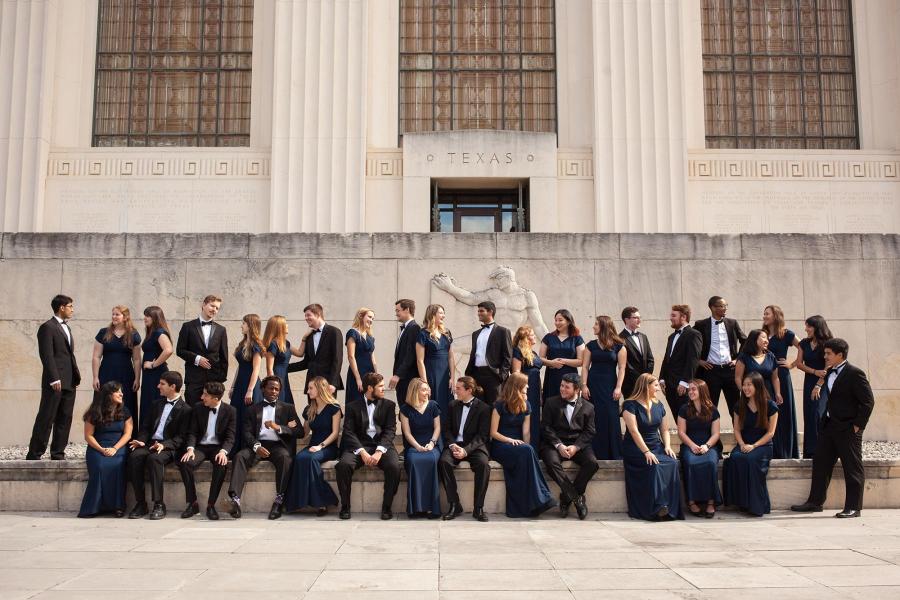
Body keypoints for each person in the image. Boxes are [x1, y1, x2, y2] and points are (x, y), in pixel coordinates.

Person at [791, 338, 875, 518]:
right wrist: (817, 385)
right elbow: (827, 386)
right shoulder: (829, 371)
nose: (825, 356)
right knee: (820, 464)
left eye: (828, 353)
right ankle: (815, 502)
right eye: (825, 353)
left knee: (852, 468)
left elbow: (868, 402)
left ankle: (853, 507)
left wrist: (857, 426)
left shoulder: (855, 374)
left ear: (840, 355)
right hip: (829, 427)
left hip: (848, 429)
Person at [227, 376, 301, 520]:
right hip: (258, 444)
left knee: (285, 458)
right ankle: (235, 501)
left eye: (277, 389)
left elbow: (299, 432)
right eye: (271, 388)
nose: (274, 391)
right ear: (262, 389)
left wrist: (279, 428)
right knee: (240, 456)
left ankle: (279, 501)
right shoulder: (252, 409)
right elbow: (246, 432)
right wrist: (256, 446)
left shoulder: (288, 408)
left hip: (278, 446)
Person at [126, 371, 191, 520]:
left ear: (173, 386)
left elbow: (181, 437)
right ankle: (141, 503)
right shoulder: (156, 404)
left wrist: (165, 445)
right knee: (135, 456)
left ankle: (159, 504)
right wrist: (142, 440)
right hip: (149, 443)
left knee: (154, 459)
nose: (158, 386)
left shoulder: (186, 409)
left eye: (162, 384)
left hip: (168, 447)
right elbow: (146, 427)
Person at [335, 372, 401, 520]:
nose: (384, 389)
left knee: (394, 467)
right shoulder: (352, 407)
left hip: (382, 446)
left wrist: (379, 451)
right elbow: (348, 432)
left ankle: (387, 507)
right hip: (359, 446)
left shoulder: (389, 405)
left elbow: (390, 431)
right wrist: (363, 452)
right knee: (343, 465)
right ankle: (345, 507)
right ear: (370, 388)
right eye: (381, 387)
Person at [490, 373, 556, 518]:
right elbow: (493, 433)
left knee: (527, 450)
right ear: (517, 387)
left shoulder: (527, 405)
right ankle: (542, 498)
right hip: (501, 444)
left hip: (519, 446)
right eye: (525, 384)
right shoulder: (499, 405)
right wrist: (509, 440)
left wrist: (527, 449)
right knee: (525, 451)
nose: (528, 386)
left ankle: (535, 503)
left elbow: (526, 433)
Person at [621, 373, 684, 521]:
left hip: (656, 445)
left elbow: (664, 430)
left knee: (672, 463)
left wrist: (667, 446)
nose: (658, 388)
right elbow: (634, 431)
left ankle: (670, 508)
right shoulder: (629, 405)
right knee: (654, 465)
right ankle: (657, 506)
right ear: (646, 386)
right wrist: (646, 451)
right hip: (636, 447)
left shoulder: (659, 405)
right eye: (655, 385)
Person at [27, 294, 82, 460]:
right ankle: (35, 453)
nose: (72, 309)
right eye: (70, 306)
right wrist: (54, 377)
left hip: (70, 380)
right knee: (47, 416)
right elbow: (47, 355)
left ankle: (58, 453)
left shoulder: (67, 327)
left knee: (65, 418)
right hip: (55, 381)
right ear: (62, 307)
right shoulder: (47, 327)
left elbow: (68, 355)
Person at [541, 373, 599, 520]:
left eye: (567, 387)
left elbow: (590, 431)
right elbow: (546, 428)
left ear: (577, 389)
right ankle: (577, 499)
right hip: (555, 444)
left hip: (578, 444)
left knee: (592, 463)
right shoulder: (550, 402)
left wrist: (576, 447)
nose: (562, 389)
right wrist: (559, 445)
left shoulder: (589, 407)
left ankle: (566, 498)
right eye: (562, 386)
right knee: (552, 463)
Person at [177, 381, 235, 520]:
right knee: (185, 463)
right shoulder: (198, 408)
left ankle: (211, 505)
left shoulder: (230, 411)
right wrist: (190, 449)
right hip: (200, 447)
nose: (202, 397)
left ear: (216, 398)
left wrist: (223, 452)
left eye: (205, 395)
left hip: (217, 448)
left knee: (221, 464)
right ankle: (193, 503)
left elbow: (230, 436)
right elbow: (192, 432)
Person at [284, 377, 342, 515]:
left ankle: (321, 503)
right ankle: (297, 502)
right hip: (313, 445)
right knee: (299, 458)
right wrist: (291, 427)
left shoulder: (334, 408)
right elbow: (304, 433)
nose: (307, 391)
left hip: (328, 447)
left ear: (320, 389)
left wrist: (320, 446)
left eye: (311, 388)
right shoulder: (309, 409)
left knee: (310, 459)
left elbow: (335, 433)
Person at [723, 372, 779, 517]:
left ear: (758, 386)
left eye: (749, 385)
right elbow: (736, 429)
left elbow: (771, 433)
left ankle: (757, 506)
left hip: (763, 445)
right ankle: (743, 503)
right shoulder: (739, 405)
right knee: (735, 458)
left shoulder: (770, 405)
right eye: (744, 384)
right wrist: (742, 444)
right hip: (744, 443)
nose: (745, 388)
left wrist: (753, 446)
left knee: (751, 459)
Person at [439, 376, 491, 522]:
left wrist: (466, 451)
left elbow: (482, 436)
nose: (455, 391)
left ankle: (478, 507)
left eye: (458, 388)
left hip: (474, 447)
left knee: (483, 465)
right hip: (455, 445)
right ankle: (454, 504)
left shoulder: (484, 408)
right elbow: (446, 429)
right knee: (444, 462)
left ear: (469, 390)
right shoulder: (452, 405)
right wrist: (451, 444)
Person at [78, 381, 133, 518]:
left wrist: (115, 448)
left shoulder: (125, 411)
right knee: (99, 466)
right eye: (118, 391)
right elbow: (88, 436)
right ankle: (94, 507)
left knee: (118, 465)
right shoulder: (94, 412)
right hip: (97, 446)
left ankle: (118, 506)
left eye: (121, 391)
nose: (121, 394)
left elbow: (127, 434)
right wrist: (101, 449)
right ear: (108, 395)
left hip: (118, 446)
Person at [734, 329, 786, 458]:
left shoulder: (770, 356)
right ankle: (748, 446)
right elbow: (737, 378)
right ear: (754, 340)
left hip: (768, 394)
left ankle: (772, 452)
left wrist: (778, 393)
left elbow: (775, 378)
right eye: (763, 337)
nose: (766, 340)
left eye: (767, 337)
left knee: (769, 423)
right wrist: (746, 391)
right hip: (749, 394)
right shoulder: (744, 357)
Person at [581, 315, 626, 460]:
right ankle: (594, 452)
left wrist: (618, 387)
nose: (593, 326)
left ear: (604, 326)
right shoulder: (590, 345)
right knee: (594, 417)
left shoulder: (619, 346)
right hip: (592, 385)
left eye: (596, 324)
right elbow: (585, 367)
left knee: (611, 417)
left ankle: (613, 452)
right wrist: (584, 386)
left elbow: (622, 368)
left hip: (610, 386)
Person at [677, 380, 722, 518]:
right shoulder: (684, 409)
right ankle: (691, 502)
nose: (690, 392)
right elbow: (681, 432)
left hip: (709, 445)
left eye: (694, 389)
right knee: (690, 463)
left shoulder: (713, 410)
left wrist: (706, 446)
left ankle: (710, 502)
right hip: (689, 445)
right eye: (689, 389)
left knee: (710, 463)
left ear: (702, 391)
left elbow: (716, 434)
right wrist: (692, 445)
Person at [694, 296, 746, 416]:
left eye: (726, 305)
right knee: (709, 407)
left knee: (735, 406)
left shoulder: (732, 323)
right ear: (712, 308)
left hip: (730, 370)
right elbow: (690, 342)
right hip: (711, 371)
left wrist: (737, 359)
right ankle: (712, 434)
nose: (725, 308)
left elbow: (746, 341)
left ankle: (738, 434)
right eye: (722, 306)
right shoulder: (701, 324)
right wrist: (698, 361)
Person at [92, 306, 142, 427]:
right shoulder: (103, 332)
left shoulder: (133, 334)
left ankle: (128, 438)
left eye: (117, 314)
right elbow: (96, 357)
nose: (114, 317)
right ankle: (101, 434)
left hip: (126, 375)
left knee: (127, 403)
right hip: (106, 373)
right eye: (113, 314)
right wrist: (95, 377)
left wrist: (137, 378)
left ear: (125, 317)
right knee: (103, 402)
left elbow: (136, 359)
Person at [400, 378, 443, 518]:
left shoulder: (433, 405)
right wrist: (417, 447)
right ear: (415, 391)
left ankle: (432, 507)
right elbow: (407, 433)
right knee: (413, 461)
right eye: (424, 390)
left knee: (431, 460)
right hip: (414, 445)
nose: (427, 392)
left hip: (432, 444)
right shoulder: (405, 409)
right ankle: (416, 508)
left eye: (427, 389)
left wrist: (432, 443)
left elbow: (437, 428)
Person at [176, 295, 228, 406]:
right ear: (203, 305)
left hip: (213, 381)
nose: (214, 309)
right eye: (212, 305)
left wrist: (220, 382)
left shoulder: (221, 330)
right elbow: (180, 350)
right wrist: (196, 358)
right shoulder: (188, 327)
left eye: (217, 308)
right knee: (192, 412)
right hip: (194, 380)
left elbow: (224, 358)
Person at [762, 305, 800, 459]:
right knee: (768, 412)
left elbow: (803, 346)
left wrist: (792, 364)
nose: (764, 316)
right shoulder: (763, 335)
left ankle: (785, 451)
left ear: (776, 316)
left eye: (767, 314)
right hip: (765, 376)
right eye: (764, 314)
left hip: (781, 377)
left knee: (783, 411)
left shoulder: (786, 334)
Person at [794, 315, 832, 458]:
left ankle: (823, 449)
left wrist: (818, 385)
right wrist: (814, 372)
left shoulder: (828, 343)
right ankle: (810, 451)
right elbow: (799, 364)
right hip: (809, 381)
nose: (806, 329)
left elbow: (828, 367)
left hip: (823, 383)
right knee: (809, 414)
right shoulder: (804, 343)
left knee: (818, 414)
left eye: (808, 326)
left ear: (817, 327)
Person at [287, 303, 344, 396]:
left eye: (308, 315)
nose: (306, 318)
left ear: (318, 315)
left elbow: (337, 359)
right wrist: (284, 368)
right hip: (312, 384)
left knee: (328, 410)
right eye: (305, 316)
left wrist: (333, 383)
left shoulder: (334, 332)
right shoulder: (309, 337)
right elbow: (306, 362)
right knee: (312, 410)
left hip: (327, 384)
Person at [464, 301, 512, 406]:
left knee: (495, 407)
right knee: (478, 407)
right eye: (478, 311)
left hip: (494, 376)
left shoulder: (503, 331)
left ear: (490, 312)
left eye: (481, 311)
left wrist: (501, 376)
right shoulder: (475, 334)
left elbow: (508, 356)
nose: (479, 313)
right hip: (477, 375)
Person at [659, 304, 702, 418]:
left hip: (682, 386)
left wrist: (685, 382)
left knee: (688, 418)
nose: (670, 318)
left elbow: (693, 360)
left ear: (683, 317)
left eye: (674, 315)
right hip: (669, 386)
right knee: (677, 417)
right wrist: (662, 378)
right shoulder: (671, 337)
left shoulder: (694, 334)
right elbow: (667, 359)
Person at [229, 313, 264, 453]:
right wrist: (232, 386)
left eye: (243, 323)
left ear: (250, 325)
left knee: (248, 417)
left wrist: (250, 390)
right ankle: (235, 448)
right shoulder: (242, 343)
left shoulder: (257, 346)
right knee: (237, 416)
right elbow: (240, 367)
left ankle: (248, 448)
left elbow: (256, 370)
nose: (241, 326)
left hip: (251, 386)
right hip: (239, 384)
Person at [416, 304, 456, 418]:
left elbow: (451, 357)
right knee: (432, 405)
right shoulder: (423, 334)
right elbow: (420, 360)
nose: (443, 315)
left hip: (445, 377)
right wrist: (425, 383)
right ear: (433, 314)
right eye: (441, 313)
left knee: (447, 405)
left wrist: (452, 377)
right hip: (431, 376)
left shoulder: (447, 333)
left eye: (444, 313)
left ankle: (446, 434)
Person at [539, 309, 585, 404]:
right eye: (555, 320)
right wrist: (552, 363)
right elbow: (540, 359)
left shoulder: (577, 338)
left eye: (560, 320)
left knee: (569, 407)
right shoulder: (548, 337)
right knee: (551, 405)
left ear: (568, 321)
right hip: (552, 378)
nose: (557, 323)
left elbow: (581, 361)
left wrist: (562, 360)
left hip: (570, 379)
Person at [511, 325, 545, 450]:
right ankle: (527, 449)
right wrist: (521, 392)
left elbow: (540, 365)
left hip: (536, 389)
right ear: (525, 337)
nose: (534, 336)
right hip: (525, 390)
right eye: (532, 334)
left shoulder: (533, 353)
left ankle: (535, 448)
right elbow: (516, 373)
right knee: (527, 418)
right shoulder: (517, 351)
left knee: (535, 419)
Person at [140, 306, 173, 430]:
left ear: (155, 317)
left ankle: (154, 437)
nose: (145, 318)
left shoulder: (159, 332)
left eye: (147, 316)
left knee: (154, 403)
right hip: (150, 376)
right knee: (149, 403)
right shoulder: (152, 332)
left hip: (156, 375)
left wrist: (153, 364)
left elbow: (168, 350)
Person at [262, 315, 302, 404]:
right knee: (280, 404)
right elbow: (269, 369)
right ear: (279, 327)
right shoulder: (273, 344)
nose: (287, 326)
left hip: (284, 378)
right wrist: (273, 387)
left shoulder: (286, 343)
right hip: (277, 377)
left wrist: (304, 339)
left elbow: (300, 353)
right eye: (285, 324)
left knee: (287, 405)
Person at [389, 299, 421, 409]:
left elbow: (410, 355)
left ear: (407, 310)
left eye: (398, 310)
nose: (396, 313)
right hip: (403, 379)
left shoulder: (414, 328)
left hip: (408, 379)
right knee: (403, 410)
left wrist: (398, 375)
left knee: (407, 410)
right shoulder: (407, 328)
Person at [619, 306, 654, 399]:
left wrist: (646, 377)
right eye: (636, 318)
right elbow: (625, 363)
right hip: (630, 384)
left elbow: (650, 359)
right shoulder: (619, 338)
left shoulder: (643, 337)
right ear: (626, 320)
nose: (639, 320)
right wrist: (639, 379)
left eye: (639, 317)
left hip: (646, 383)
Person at [345, 307, 377, 405]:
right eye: (369, 317)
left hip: (370, 374)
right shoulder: (352, 333)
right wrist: (358, 378)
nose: (371, 320)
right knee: (357, 402)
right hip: (357, 374)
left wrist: (376, 376)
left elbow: (373, 358)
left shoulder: (370, 336)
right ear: (360, 316)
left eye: (373, 318)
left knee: (371, 402)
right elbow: (351, 356)